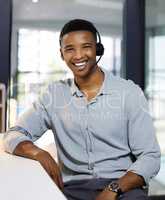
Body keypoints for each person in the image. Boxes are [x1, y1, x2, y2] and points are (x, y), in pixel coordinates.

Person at [3, 19, 160, 200]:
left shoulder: (129, 93)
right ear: (62, 54)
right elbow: (14, 134)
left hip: (123, 188)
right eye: (70, 49)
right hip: (72, 190)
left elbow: (150, 157)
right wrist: (38, 152)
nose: (78, 56)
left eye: (86, 47)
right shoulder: (54, 94)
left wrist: (113, 188)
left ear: (97, 50)